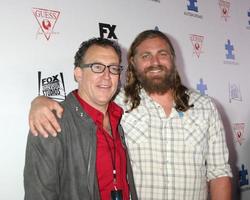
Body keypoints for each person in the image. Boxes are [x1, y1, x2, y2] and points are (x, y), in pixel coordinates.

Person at [28, 30, 232, 200]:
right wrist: (39, 102)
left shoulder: (206, 107)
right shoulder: (120, 103)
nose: (155, 61)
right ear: (133, 63)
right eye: (145, 56)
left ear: (173, 59)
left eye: (162, 54)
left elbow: (219, 172)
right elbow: (85, 101)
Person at [24, 37, 138, 200]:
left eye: (113, 68)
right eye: (97, 67)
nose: (106, 76)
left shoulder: (120, 116)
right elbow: (39, 195)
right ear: (78, 73)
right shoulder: (51, 122)